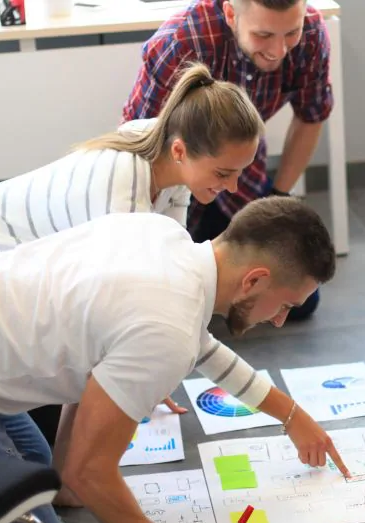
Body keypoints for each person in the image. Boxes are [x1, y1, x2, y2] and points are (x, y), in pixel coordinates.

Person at [0, 62, 340, 510]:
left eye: (240, 173)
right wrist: (286, 411)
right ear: (182, 151)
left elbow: (181, 303)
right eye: (224, 173)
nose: (232, 187)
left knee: (41, 452)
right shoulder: (119, 189)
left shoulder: (168, 161)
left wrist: (151, 347)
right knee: (30, 447)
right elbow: (161, 328)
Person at [0, 198, 349, 523]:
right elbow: (90, 471)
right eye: (286, 304)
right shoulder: (165, 327)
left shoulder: (165, 237)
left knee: (38, 469)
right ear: (253, 281)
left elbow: (196, 346)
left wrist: (291, 414)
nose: (282, 320)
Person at [123, 0, 333, 321]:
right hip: (179, 184)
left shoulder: (313, 34)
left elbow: (312, 116)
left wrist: (276, 197)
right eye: (264, 34)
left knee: (301, 301)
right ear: (232, 14)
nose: (278, 51)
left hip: (244, 179)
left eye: (291, 32)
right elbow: (140, 143)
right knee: (165, 301)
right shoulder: (179, 42)